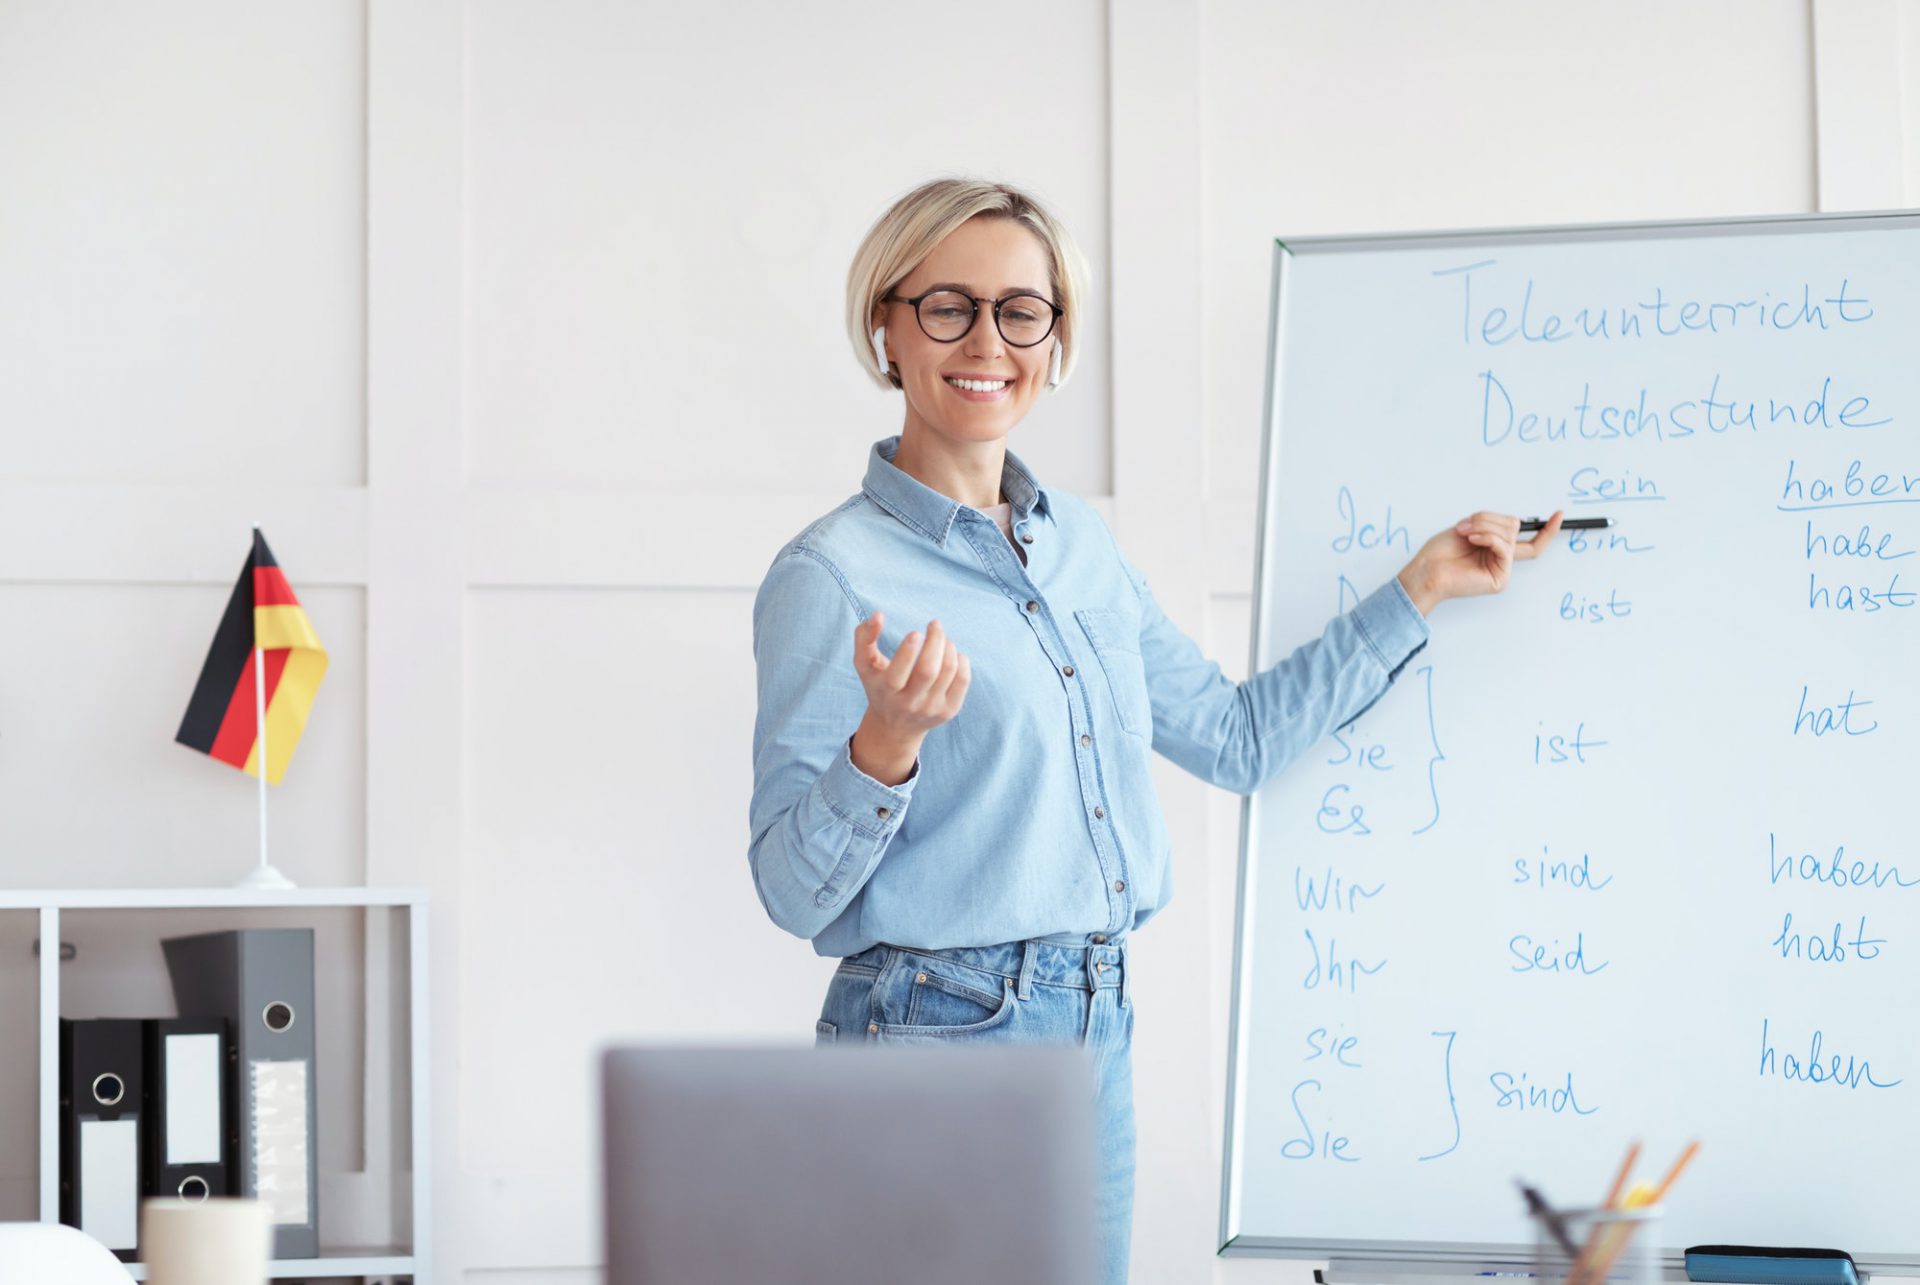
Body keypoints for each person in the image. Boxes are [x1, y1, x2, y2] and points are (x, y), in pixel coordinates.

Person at [746, 176, 1563, 1285]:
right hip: (930, 1034)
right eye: (947, 305)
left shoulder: (1077, 547)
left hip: (1094, 1023)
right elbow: (792, 891)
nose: (988, 339)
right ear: (886, 327)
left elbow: (1234, 737)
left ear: (1055, 337)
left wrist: (1418, 589)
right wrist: (882, 746)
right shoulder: (831, 574)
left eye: (1021, 310)